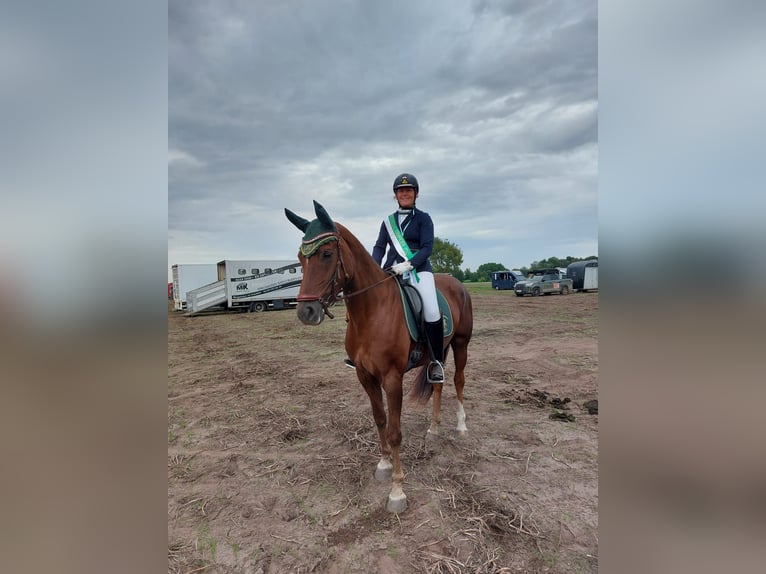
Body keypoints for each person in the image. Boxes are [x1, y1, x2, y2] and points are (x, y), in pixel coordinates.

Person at [343, 173, 445, 383]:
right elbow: (380, 246)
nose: (405, 193)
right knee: (366, 305)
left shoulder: (424, 218)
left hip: (419, 271)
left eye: (408, 190)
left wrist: (409, 264)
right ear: (395, 195)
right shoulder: (388, 222)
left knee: (432, 310)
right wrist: (373, 269)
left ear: (415, 194)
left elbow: (427, 248)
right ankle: (359, 352)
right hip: (391, 271)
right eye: (401, 191)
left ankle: (435, 361)